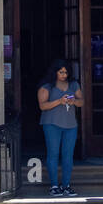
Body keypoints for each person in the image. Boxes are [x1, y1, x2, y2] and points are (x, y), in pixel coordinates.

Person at [37, 58, 83, 196]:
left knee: (68, 156)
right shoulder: (46, 87)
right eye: (61, 72)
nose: (64, 75)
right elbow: (42, 106)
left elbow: (82, 102)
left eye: (66, 72)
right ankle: (54, 185)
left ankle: (66, 185)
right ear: (55, 72)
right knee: (53, 154)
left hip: (71, 125)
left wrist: (74, 100)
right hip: (51, 124)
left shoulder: (74, 85)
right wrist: (59, 101)